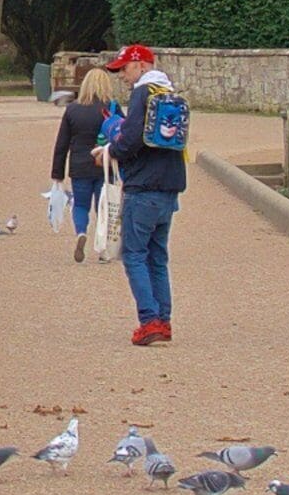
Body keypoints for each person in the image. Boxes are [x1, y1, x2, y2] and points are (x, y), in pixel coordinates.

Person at [101, 44, 189, 345]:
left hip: (144, 187)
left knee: (134, 254)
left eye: (124, 69)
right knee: (157, 257)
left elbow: (131, 140)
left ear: (139, 65)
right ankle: (164, 321)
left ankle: (149, 320)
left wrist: (109, 150)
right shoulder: (171, 92)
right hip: (170, 186)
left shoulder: (143, 93)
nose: (123, 77)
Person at [49, 63, 117, 264]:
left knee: (80, 204)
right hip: (104, 163)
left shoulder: (73, 110)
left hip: (79, 164)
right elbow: (123, 136)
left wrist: (57, 172)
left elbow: (62, 143)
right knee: (103, 207)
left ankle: (80, 232)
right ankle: (103, 248)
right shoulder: (112, 108)